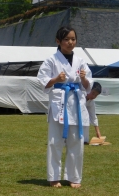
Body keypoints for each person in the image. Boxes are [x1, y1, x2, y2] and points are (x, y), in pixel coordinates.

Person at [37, 26, 93, 188]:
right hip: (58, 104)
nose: (70, 42)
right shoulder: (51, 60)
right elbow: (42, 81)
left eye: (73, 39)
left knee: (76, 142)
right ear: (58, 41)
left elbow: (88, 86)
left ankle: (74, 177)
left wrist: (83, 79)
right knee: (55, 142)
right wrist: (55, 79)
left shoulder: (81, 61)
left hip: (76, 103)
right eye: (67, 39)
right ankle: (53, 177)